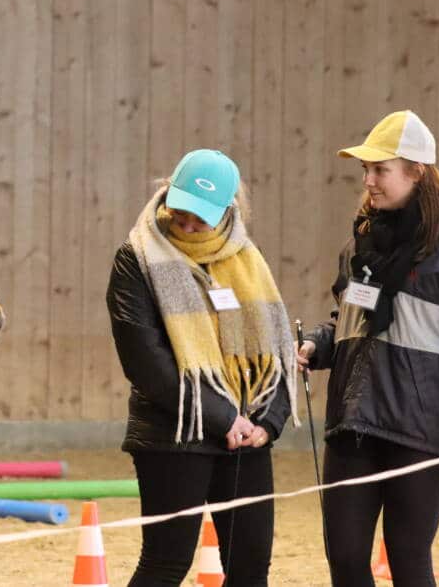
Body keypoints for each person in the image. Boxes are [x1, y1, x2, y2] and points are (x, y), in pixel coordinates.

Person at [297, 110, 439, 587]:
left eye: (379, 169)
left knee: (409, 559)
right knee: (344, 557)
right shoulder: (359, 243)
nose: (368, 180)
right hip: (353, 421)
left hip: (418, 429)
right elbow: (350, 321)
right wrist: (317, 346)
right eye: (365, 170)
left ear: (417, 172)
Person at [107, 149, 298, 587]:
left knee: (250, 570)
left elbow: (275, 347)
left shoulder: (249, 261)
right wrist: (221, 416)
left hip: (246, 437)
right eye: (182, 213)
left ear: (227, 211)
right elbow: (145, 362)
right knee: (165, 565)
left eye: (201, 218)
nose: (188, 226)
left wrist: (268, 422)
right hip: (174, 435)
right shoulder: (136, 259)